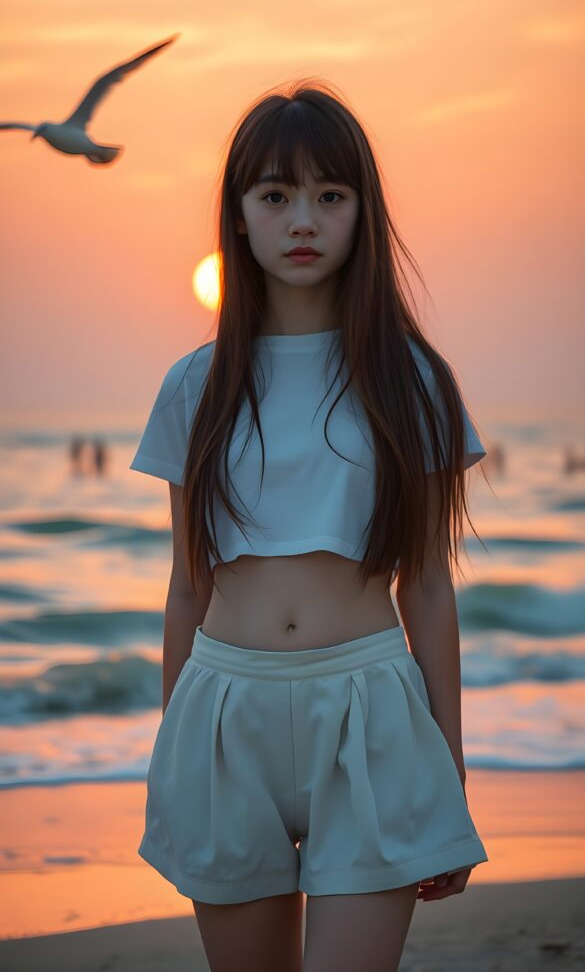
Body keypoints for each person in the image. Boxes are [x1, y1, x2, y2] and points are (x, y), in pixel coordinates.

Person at [129, 79, 490, 972]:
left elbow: (430, 586)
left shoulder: (412, 380)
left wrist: (448, 769)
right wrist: (175, 747)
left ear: (362, 214)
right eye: (275, 195)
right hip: (223, 712)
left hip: (369, 708)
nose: (303, 219)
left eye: (330, 195)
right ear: (239, 215)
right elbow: (187, 585)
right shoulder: (193, 385)